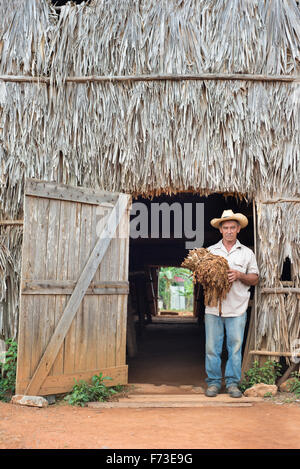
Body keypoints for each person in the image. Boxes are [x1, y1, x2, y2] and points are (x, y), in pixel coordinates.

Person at [204, 209, 259, 398]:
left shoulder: (247, 253)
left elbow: (255, 278)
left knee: (235, 348)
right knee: (212, 348)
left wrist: (239, 275)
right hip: (213, 308)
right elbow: (201, 278)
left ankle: (233, 384)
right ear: (220, 230)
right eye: (225, 227)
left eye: (232, 228)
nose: (229, 231)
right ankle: (213, 383)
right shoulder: (210, 252)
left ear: (238, 230)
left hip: (237, 308)